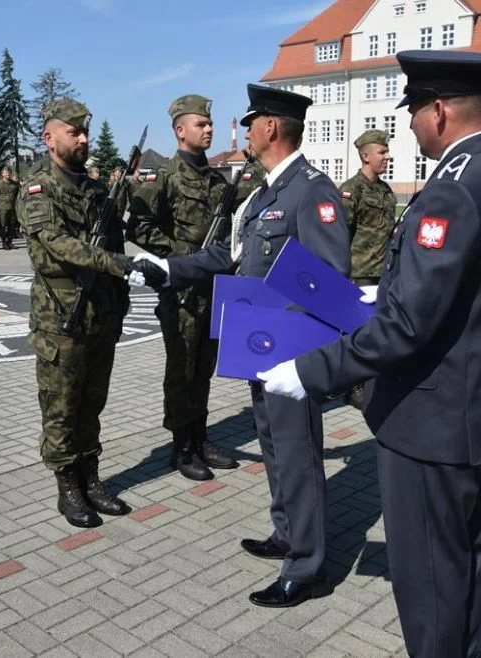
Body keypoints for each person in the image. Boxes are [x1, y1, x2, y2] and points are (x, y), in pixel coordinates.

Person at [257, 51, 481, 655]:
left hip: (428, 423)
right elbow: (460, 288)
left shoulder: (452, 191)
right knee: (461, 566)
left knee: (429, 580)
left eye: (412, 113)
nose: (407, 127)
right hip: (471, 412)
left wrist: (307, 371)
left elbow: (407, 327)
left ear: (438, 111)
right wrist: (385, 289)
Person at [128, 84, 350, 608]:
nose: (245, 131)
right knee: (275, 447)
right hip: (260, 343)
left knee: (297, 453)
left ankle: (309, 566)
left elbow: (329, 281)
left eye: (251, 123)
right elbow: (227, 256)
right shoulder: (266, 193)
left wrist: (300, 353)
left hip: (288, 352)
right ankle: (288, 534)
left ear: (271, 127)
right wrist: (167, 269)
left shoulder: (310, 190)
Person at [17, 98, 141, 529]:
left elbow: (114, 239)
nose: (84, 139)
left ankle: (91, 478)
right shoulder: (38, 190)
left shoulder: (95, 190)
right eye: (74, 132)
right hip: (61, 319)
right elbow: (57, 245)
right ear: (50, 138)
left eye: (86, 131)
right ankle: (67, 486)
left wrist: (120, 292)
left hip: (99, 315)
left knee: (93, 404)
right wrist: (114, 264)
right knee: (61, 408)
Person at [126, 94, 239, 481]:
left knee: (204, 367)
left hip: (214, 289)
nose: (208, 129)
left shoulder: (216, 179)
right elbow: (137, 226)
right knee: (182, 369)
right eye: (201, 125)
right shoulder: (165, 176)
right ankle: (182, 446)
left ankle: (201, 436)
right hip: (182, 294)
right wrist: (178, 259)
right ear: (180, 130)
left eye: (209, 124)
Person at [340, 129, 397, 409]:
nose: (387, 156)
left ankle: (370, 381)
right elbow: (341, 234)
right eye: (382, 152)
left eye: (386, 152)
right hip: (358, 273)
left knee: (375, 331)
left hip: (381, 273)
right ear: (365, 156)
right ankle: (353, 386)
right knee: (356, 333)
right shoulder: (352, 190)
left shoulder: (386, 191)